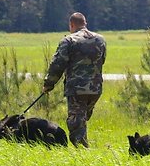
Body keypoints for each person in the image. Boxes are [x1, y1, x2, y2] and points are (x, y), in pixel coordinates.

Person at [43, 12, 106, 148]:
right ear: (85, 23)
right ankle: (85, 147)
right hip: (95, 89)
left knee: (76, 123)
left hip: (77, 89)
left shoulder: (69, 41)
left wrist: (48, 84)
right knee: (82, 119)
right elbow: (103, 60)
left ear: (71, 25)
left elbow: (58, 64)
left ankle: (83, 153)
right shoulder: (100, 40)